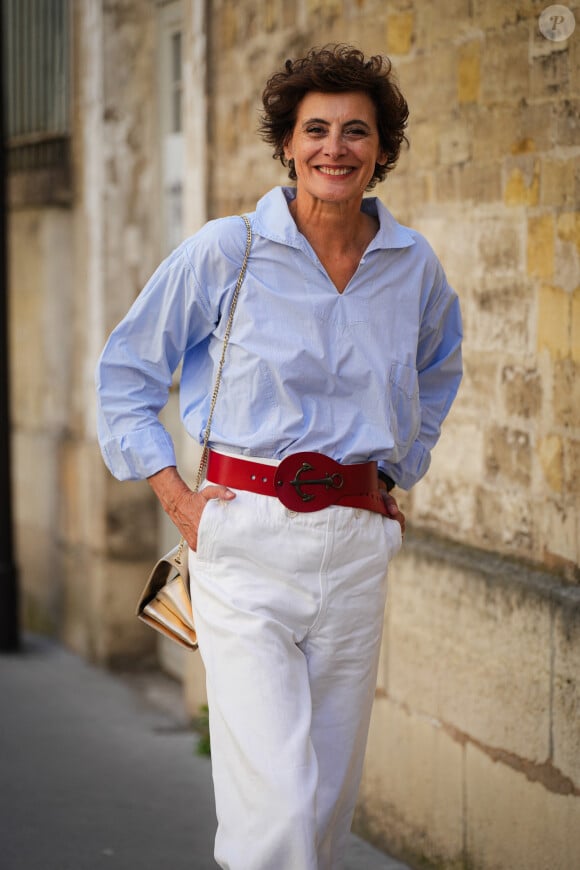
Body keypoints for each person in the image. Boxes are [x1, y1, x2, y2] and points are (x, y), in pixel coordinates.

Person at [96, 44, 462, 870]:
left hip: (358, 544)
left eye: (357, 131)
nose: (337, 147)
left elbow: (439, 369)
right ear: (288, 145)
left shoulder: (413, 268)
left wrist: (400, 467)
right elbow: (125, 375)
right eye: (318, 129)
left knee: (326, 811)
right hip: (244, 537)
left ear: (382, 149)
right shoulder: (230, 252)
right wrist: (174, 495)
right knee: (279, 814)